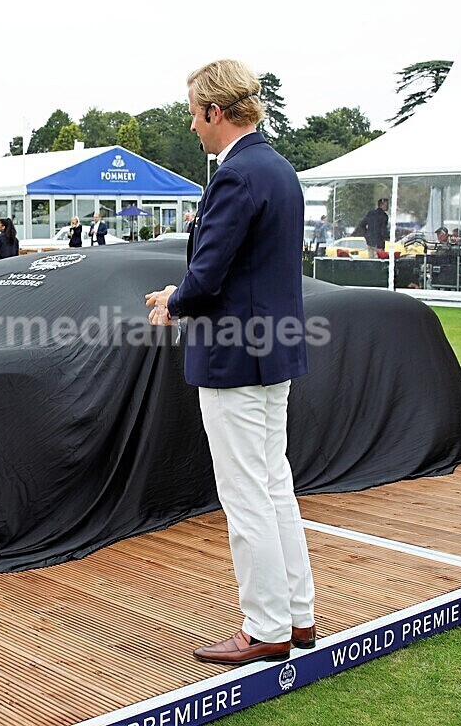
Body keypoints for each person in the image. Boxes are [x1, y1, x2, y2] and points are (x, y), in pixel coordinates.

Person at [145, 59, 316, 666]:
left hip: (234, 357)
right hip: (275, 351)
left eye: (194, 113)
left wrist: (174, 298)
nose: (192, 125)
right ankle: (296, 618)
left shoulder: (236, 177)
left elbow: (209, 275)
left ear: (216, 111)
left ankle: (265, 627)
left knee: (248, 496)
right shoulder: (281, 171)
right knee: (275, 488)